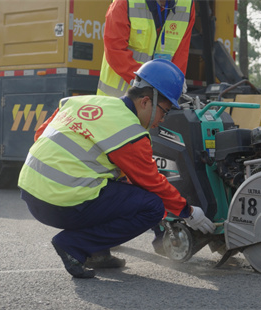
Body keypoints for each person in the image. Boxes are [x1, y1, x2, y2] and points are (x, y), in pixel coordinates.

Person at [18, 59, 215, 279]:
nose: (162, 120)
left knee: (116, 187)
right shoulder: (130, 133)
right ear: (146, 102)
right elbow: (152, 183)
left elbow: (40, 134)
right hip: (60, 203)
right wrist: (188, 212)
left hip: (30, 193)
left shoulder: (81, 102)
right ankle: (73, 244)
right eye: (164, 111)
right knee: (152, 207)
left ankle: (97, 252)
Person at [97, 0, 195, 97]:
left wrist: (176, 78)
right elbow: (115, 51)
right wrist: (149, 79)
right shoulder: (123, 2)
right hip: (118, 98)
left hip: (157, 97)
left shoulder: (187, 4)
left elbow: (181, 52)